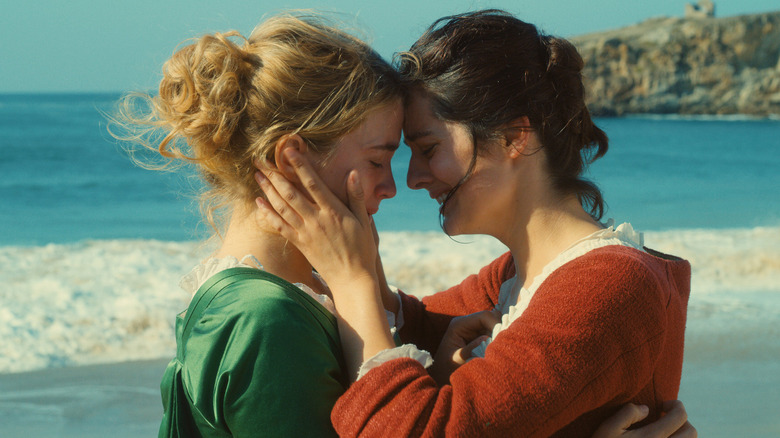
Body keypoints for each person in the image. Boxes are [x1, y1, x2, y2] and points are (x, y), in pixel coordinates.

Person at [254, 9, 694, 438]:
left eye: (427, 149)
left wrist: (351, 281)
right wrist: (360, 261)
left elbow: (416, 430)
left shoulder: (608, 285)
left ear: (512, 138)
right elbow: (420, 327)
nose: (413, 178)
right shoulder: (514, 278)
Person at [112, 12, 405, 437]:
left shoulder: (289, 295)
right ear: (292, 159)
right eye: (377, 160)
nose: (392, 186)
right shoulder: (268, 321)